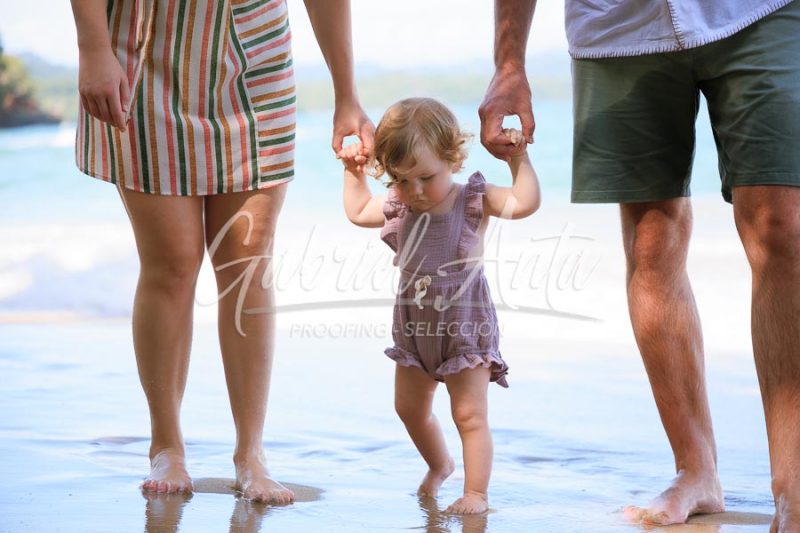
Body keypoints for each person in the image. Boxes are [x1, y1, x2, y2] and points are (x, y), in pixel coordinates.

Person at [479, 0, 800, 529]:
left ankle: (794, 486)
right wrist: (509, 63)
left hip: (758, 12)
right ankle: (695, 469)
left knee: (781, 225)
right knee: (652, 239)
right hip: (618, 29)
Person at [71, 0, 373, 504]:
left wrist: (347, 93)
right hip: (143, 53)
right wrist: (93, 47)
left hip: (256, 58)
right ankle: (166, 446)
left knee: (246, 263)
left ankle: (251, 453)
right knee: (171, 264)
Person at [340, 97, 540, 514]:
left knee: (469, 414)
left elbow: (524, 203)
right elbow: (358, 210)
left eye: (426, 178)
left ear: (452, 158)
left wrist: (518, 159)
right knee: (408, 408)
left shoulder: (473, 200)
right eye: (401, 179)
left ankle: (476, 493)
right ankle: (439, 464)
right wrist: (353, 171)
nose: (414, 190)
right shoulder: (399, 205)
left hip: (465, 328)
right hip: (415, 331)